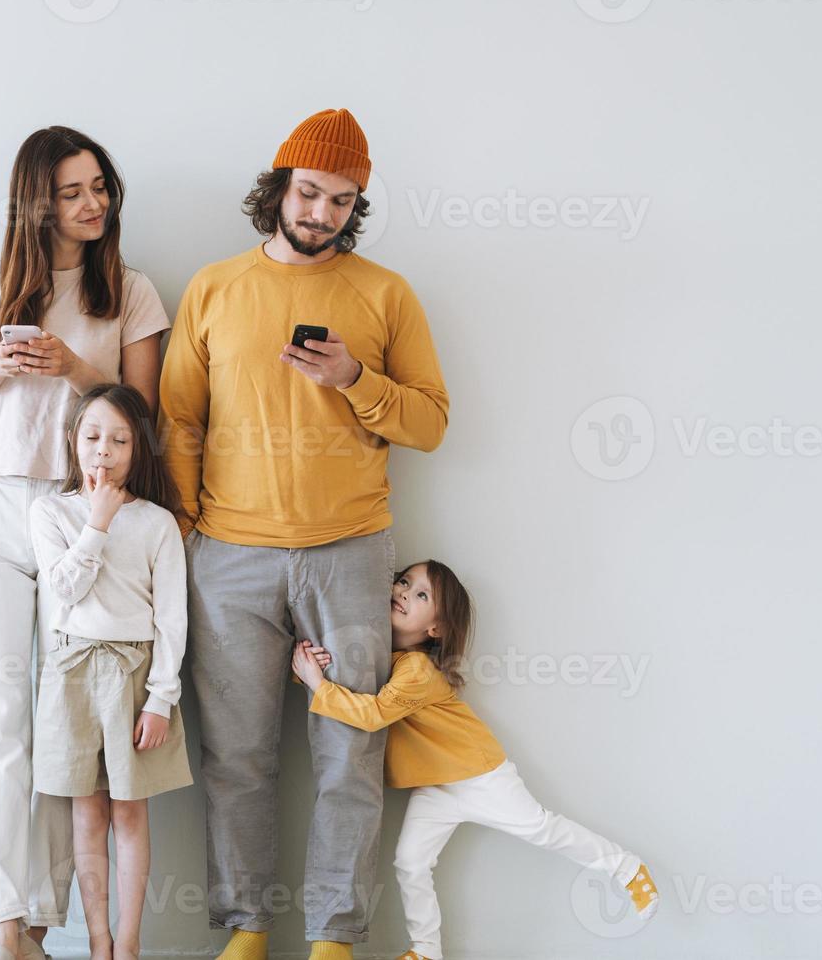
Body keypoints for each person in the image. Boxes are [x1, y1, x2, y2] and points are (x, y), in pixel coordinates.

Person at [159, 108, 449, 960]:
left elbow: (431, 422)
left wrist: (357, 380)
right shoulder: (215, 287)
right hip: (228, 558)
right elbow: (178, 419)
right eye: (310, 191)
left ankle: (334, 941)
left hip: (351, 553)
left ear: (356, 206)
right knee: (238, 758)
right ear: (280, 186)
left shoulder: (385, 293)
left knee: (348, 758)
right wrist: (183, 534)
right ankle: (247, 931)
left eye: (341, 200)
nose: (320, 212)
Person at [0, 126, 169, 960]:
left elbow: (142, 419)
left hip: (85, 513)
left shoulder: (132, 293)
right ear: (37, 198)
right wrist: (3, 364)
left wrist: (76, 367)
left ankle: (40, 921)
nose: (93, 203)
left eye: (101, 187)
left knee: (65, 721)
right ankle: (3, 926)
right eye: (74, 191)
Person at [291, 561, 660, 960]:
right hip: (435, 785)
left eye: (421, 595)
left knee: (541, 828)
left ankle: (627, 868)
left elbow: (372, 713)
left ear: (436, 628)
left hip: (479, 775)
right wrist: (314, 669)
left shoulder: (416, 669)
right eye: (403, 582)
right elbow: (354, 690)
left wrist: (316, 683)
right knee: (410, 863)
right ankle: (427, 951)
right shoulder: (383, 659)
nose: (402, 592)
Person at [29, 384, 193, 960]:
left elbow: (173, 618)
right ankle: (98, 942)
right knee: (86, 813)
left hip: (134, 674)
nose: (104, 449)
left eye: (120, 439)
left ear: (137, 449)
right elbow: (66, 591)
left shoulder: (156, 523)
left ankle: (128, 945)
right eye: (93, 435)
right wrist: (96, 522)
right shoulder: (50, 512)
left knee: (129, 811)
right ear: (74, 439)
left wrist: (160, 699)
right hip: (72, 671)